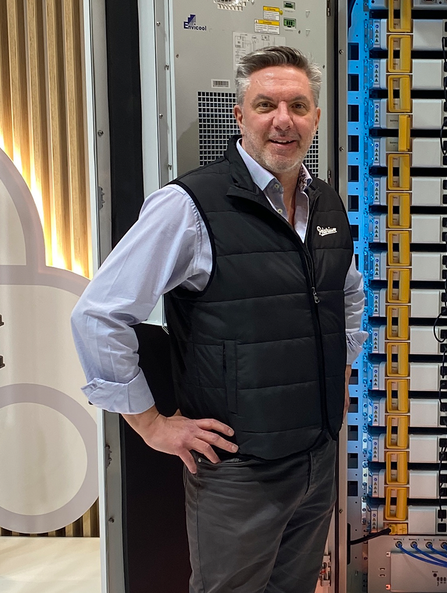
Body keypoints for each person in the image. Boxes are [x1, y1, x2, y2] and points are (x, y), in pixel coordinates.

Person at [71, 46, 367, 593]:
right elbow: (98, 316)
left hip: (316, 457)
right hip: (239, 469)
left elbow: (346, 293)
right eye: (266, 105)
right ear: (239, 115)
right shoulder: (188, 205)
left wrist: (340, 370)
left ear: (317, 118)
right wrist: (153, 425)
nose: (284, 120)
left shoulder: (326, 204)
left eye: (299, 105)